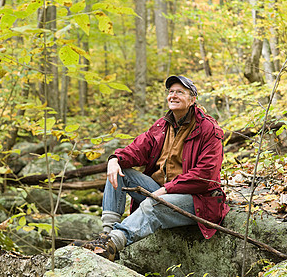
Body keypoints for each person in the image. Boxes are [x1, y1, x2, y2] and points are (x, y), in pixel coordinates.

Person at [77, 75, 230, 261]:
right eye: (171, 92)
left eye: (180, 92)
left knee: (154, 203)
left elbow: (206, 176)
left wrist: (167, 189)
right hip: (163, 191)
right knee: (120, 171)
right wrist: (115, 159)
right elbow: (136, 150)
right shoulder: (162, 125)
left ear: (192, 99)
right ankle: (106, 239)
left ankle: (116, 241)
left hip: (197, 199)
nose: (173, 96)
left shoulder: (208, 129)